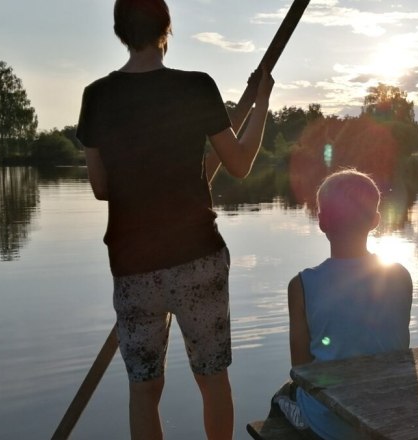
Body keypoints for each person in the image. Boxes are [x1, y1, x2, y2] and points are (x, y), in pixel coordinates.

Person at [76, 1, 274, 439]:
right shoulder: (196, 87)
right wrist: (261, 102)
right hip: (197, 257)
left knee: (143, 388)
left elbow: (101, 187)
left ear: (119, 32)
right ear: (167, 28)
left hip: (132, 264)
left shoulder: (97, 96)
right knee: (212, 377)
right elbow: (238, 163)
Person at [275, 169, 413, 440]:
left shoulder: (301, 285)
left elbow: (301, 368)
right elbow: (398, 344)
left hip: (332, 424)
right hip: (391, 413)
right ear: (375, 221)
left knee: (281, 397)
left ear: (322, 222)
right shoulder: (400, 275)